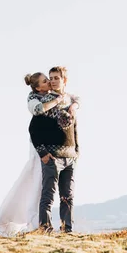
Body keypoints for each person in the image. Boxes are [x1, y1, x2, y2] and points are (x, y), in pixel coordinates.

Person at [0, 72, 67, 235]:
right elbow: (38, 112)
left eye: (49, 80)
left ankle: (36, 223)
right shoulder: (34, 99)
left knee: (40, 184)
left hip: (50, 147)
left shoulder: (50, 95)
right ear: (38, 87)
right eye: (45, 81)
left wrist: (69, 102)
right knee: (37, 183)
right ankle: (36, 224)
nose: (49, 83)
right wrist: (57, 101)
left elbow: (73, 98)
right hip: (39, 148)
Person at [29, 66, 80, 233]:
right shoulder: (44, 101)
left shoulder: (71, 102)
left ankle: (68, 230)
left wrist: (77, 150)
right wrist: (43, 153)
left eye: (56, 77)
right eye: (50, 78)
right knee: (48, 196)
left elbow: (74, 127)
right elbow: (33, 129)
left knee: (68, 196)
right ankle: (45, 230)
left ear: (64, 80)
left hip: (70, 156)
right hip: (52, 156)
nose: (52, 81)